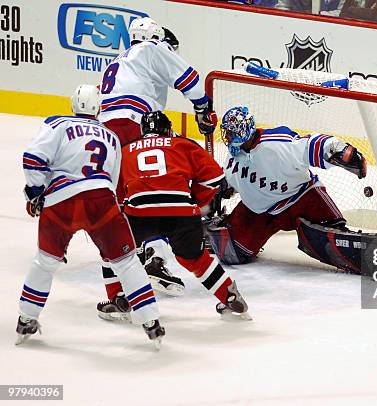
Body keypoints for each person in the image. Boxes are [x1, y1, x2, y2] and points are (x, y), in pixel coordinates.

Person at [17, 85, 165, 347]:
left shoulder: (57, 123)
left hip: (62, 202)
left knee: (45, 262)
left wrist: (35, 192)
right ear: (98, 107)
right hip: (102, 201)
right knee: (127, 262)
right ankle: (151, 322)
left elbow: (33, 159)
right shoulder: (111, 136)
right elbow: (114, 181)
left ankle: (27, 318)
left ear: (72, 103)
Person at [97, 16, 218, 296]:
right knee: (158, 187)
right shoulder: (152, 49)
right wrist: (202, 107)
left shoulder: (121, 59)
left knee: (128, 197)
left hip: (105, 131)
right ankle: (156, 257)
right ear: (156, 36)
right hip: (131, 124)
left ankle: (126, 258)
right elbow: (188, 78)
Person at [96, 111, 250, 321]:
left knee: (112, 251)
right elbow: (215, 179)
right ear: (168, 130)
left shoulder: (125, 151)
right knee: (196, 259)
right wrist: (195, 200)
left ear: (143, 131)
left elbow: (115, 191)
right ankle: (229, 295)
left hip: (140, 213)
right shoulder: (183, 144)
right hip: (182, 213)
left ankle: (117, 298)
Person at [206, 107, 377, 275]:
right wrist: (220, 189)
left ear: (242, 130)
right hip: (258, 213)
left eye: (230, 132)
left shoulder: (278, 142)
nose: (227, 137)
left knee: (325, 239)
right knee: (231, 252)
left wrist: (341, 151)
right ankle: (217, 228)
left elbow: (311, 145)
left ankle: (369, 252)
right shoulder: (233, 158)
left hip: (299, 199)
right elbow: (229, 183)